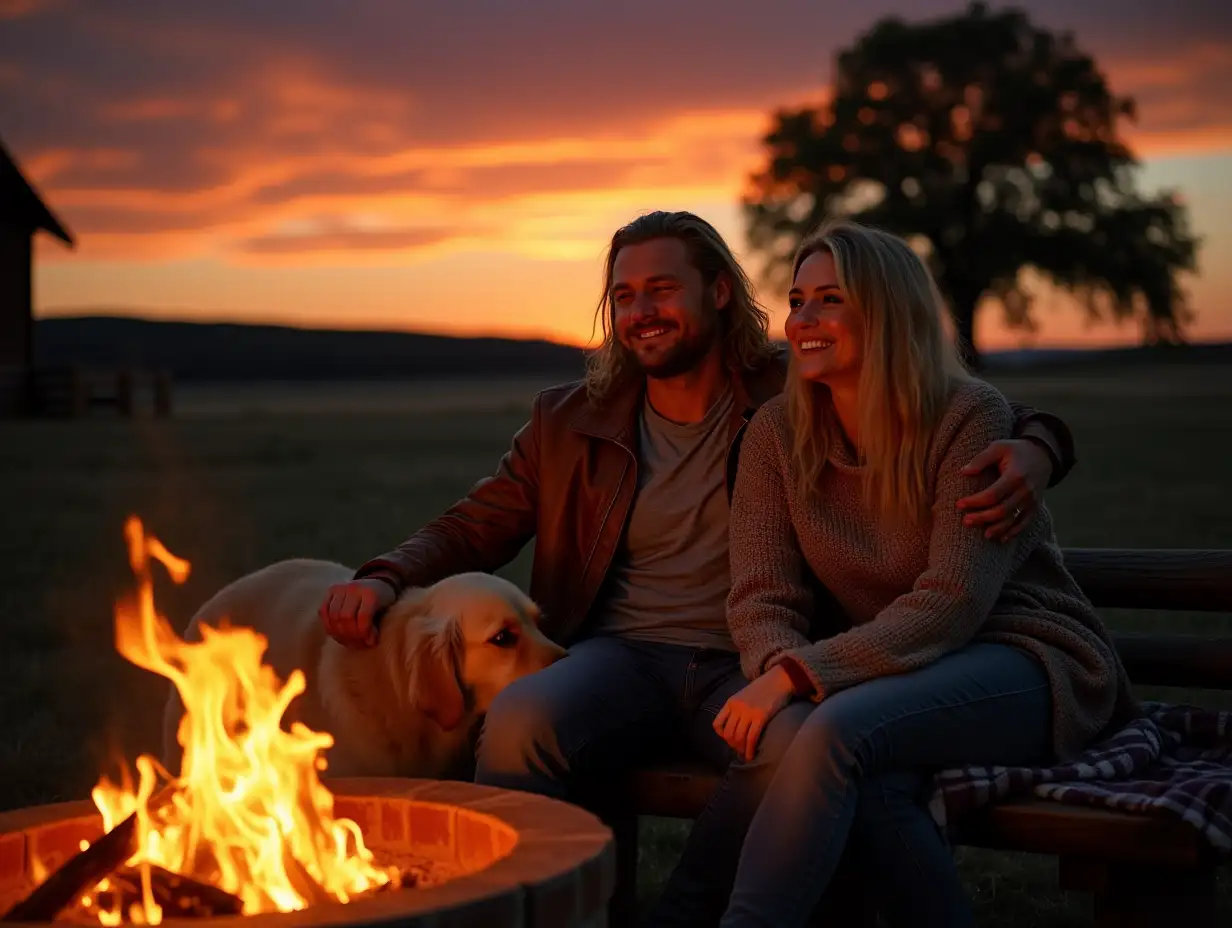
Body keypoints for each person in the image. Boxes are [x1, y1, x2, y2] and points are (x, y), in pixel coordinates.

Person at [317, 211, 1077, 925]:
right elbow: (476, 523)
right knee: (521, 720)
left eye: (661, 289)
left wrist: (1042, 446)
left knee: (792, 744)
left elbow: (941, 396)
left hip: (750, 663)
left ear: (718, 291)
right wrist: (386, 574)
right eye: (623, 296)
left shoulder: (791, 391)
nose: (641, 310)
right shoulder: (570, 420)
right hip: (620, 655)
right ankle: (517, 912)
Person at [700, 219, 1136, 928]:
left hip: (1024, 658)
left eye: (830, 300)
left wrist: (796, 679)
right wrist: (778, 660)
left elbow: (952, 602)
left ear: (888, 312)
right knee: (871, 790)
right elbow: (760, 592)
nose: (803, 319)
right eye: (797, 299)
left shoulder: (969, 417)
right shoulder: (775, 434)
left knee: (835, 732)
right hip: (890, 676)